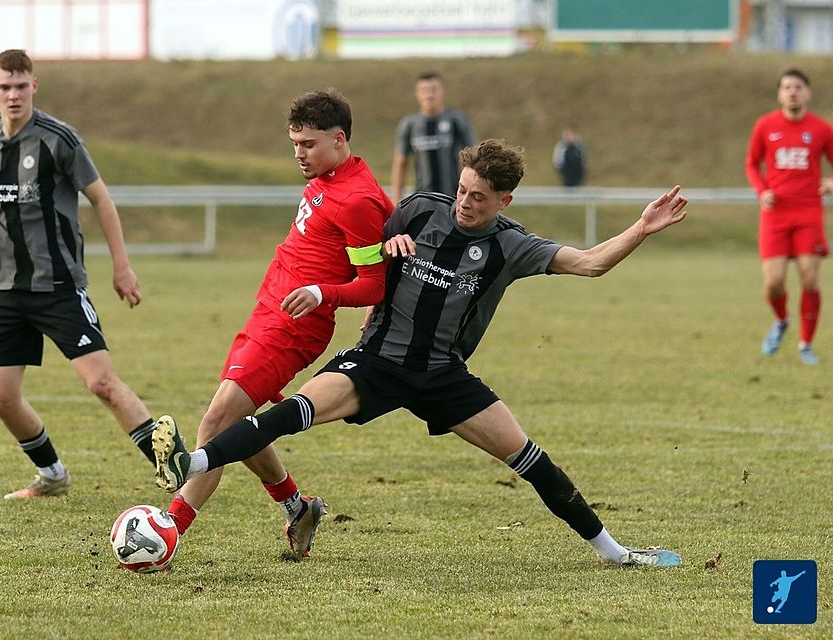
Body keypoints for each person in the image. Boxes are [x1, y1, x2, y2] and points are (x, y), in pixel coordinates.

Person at [153, 140, 687, 568]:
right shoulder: (417, 211)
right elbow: (367, 264)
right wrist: (386, 249)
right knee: (289, 415)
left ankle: (615, 553)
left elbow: (590, 263)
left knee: (528, 458)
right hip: (378, 362)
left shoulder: (510, 244)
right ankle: (192, 461)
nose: (465, 201)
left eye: (480, 196)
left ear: (505, 201)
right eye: (462, 189)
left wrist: (641, 228)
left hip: (442, 376)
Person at [152, 88, 393, 558]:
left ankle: (167, 531)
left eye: (307, 144)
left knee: (217, 424)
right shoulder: (328, 178)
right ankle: (297, 508)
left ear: (339, 139)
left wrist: (323, 293)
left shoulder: (359, 200)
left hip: (292, 330)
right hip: (266, 314)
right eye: (294, 144)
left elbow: (373, 284)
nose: (298, 154)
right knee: (241, 424)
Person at [0, 49, 160, 499]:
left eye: (21, 86)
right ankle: (53, 476)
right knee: (0, 398)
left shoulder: (59, 139)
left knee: (102, 383)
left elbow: (101, 200)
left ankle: (176, 468)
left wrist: (122, 267)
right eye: (5, 87)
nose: (13, 95)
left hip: (59, 285)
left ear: (33, 86)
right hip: (7, 289)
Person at [745, 68, 833, 365]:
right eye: (786, 87)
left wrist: (830, 183)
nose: (792, 92)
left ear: (807, 92)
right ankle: (782, 320)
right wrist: (762, 191)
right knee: (774, 283)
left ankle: (805, 345)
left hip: (809, 212)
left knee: (810, 279)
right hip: (775, 214)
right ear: (779, 93)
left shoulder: (821, 129)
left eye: (797, 87)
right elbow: (751, 164)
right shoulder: (765, 125)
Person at [390, 71, 476, 203]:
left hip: (453, 199)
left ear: (442, 92)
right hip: (422, 201)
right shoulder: (409, 125)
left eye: (434, 90)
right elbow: (400, 163)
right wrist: (396, 199)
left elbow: (475, 159)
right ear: (417, 94)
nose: (429, 95)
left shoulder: (456, 120)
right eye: (424, 90)